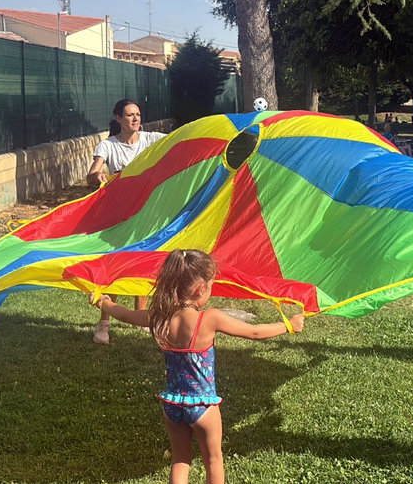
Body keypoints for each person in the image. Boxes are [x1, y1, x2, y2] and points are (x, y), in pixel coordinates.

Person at [93, 250, 305, 484]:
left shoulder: (160, 317)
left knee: (180, 460)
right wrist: (289, 325)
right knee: (213, 460)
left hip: (172, 404)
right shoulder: (209, 318)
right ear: (199, 289)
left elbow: (125, 314)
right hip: (203, 404)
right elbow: (254, 333)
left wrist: (104, 302)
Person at [86, 99, 166, 344]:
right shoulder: (108, 145)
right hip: (119, 215)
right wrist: (97, 176)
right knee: (114, 265)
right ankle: (104, 322)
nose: (136, 119)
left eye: (138, 115)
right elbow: (91, 174)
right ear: (118, 118)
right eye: (130, 115)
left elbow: (183, 139)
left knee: (143, 262)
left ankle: (141, 319)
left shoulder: (151, 139)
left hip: (146, 214)